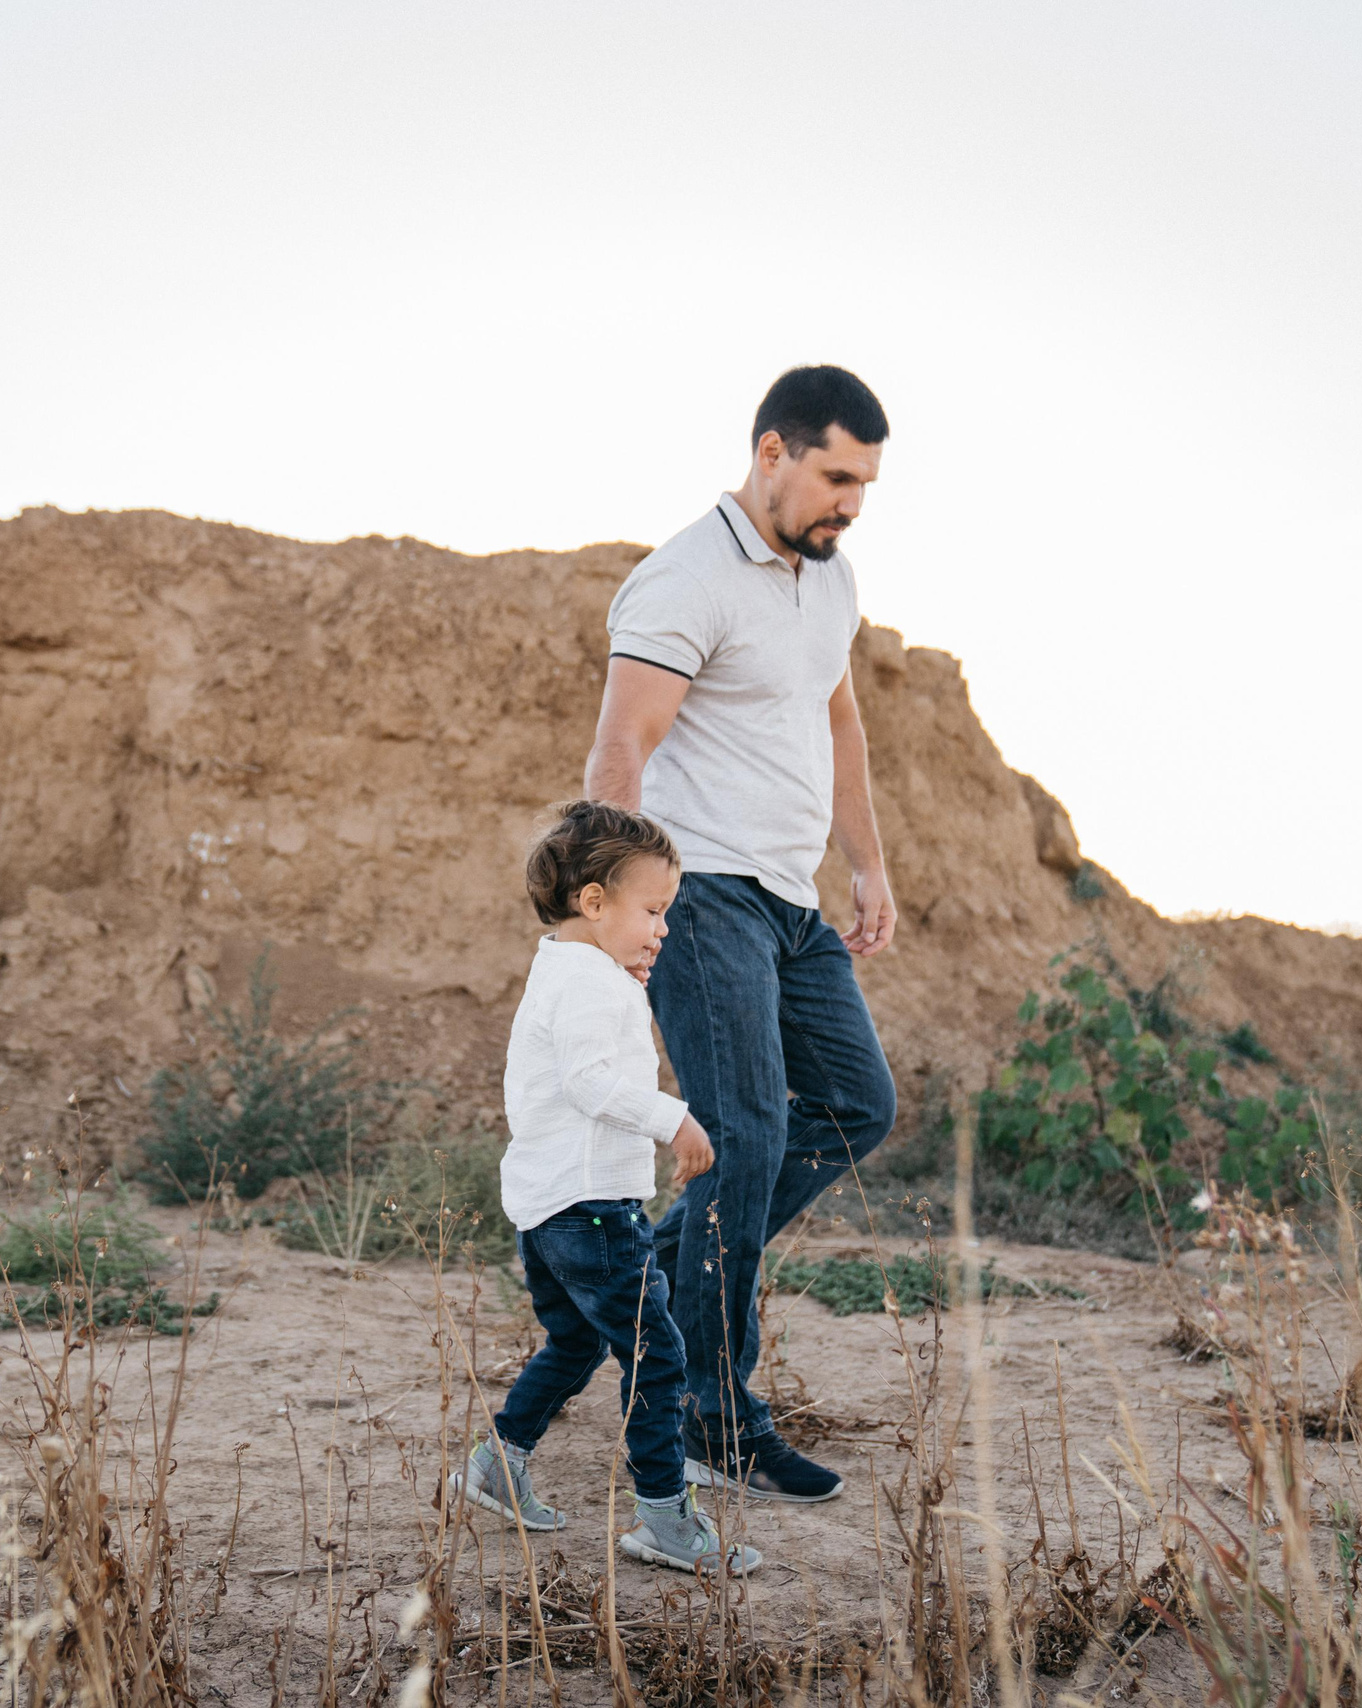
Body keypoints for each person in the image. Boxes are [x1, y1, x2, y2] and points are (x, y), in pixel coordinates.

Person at [582, 365, 899, 1504]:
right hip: (700, 889)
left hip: (789, 898)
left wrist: (864, 859)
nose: (850, 503)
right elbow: (621, 750)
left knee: (858, 1105)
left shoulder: (831, 578)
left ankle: (644, 1284)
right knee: (744, 1140)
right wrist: (614, 909)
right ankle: (712, 1411)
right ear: (771, 452)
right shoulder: (686, 578)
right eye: (835, 476)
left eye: (864, 483)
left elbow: (837, 716)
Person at [448, 800, 762, 1577]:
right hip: (591, 1211)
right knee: (657, 1357)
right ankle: (664, 1521)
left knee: (578, 1340)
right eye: (652, 911)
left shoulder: (563, 968)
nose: (661, 929)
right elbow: (591, 1083)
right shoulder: (591, 983)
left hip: (550, 1206)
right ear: (594, 902)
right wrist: (675, 1119)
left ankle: (497, 1463)